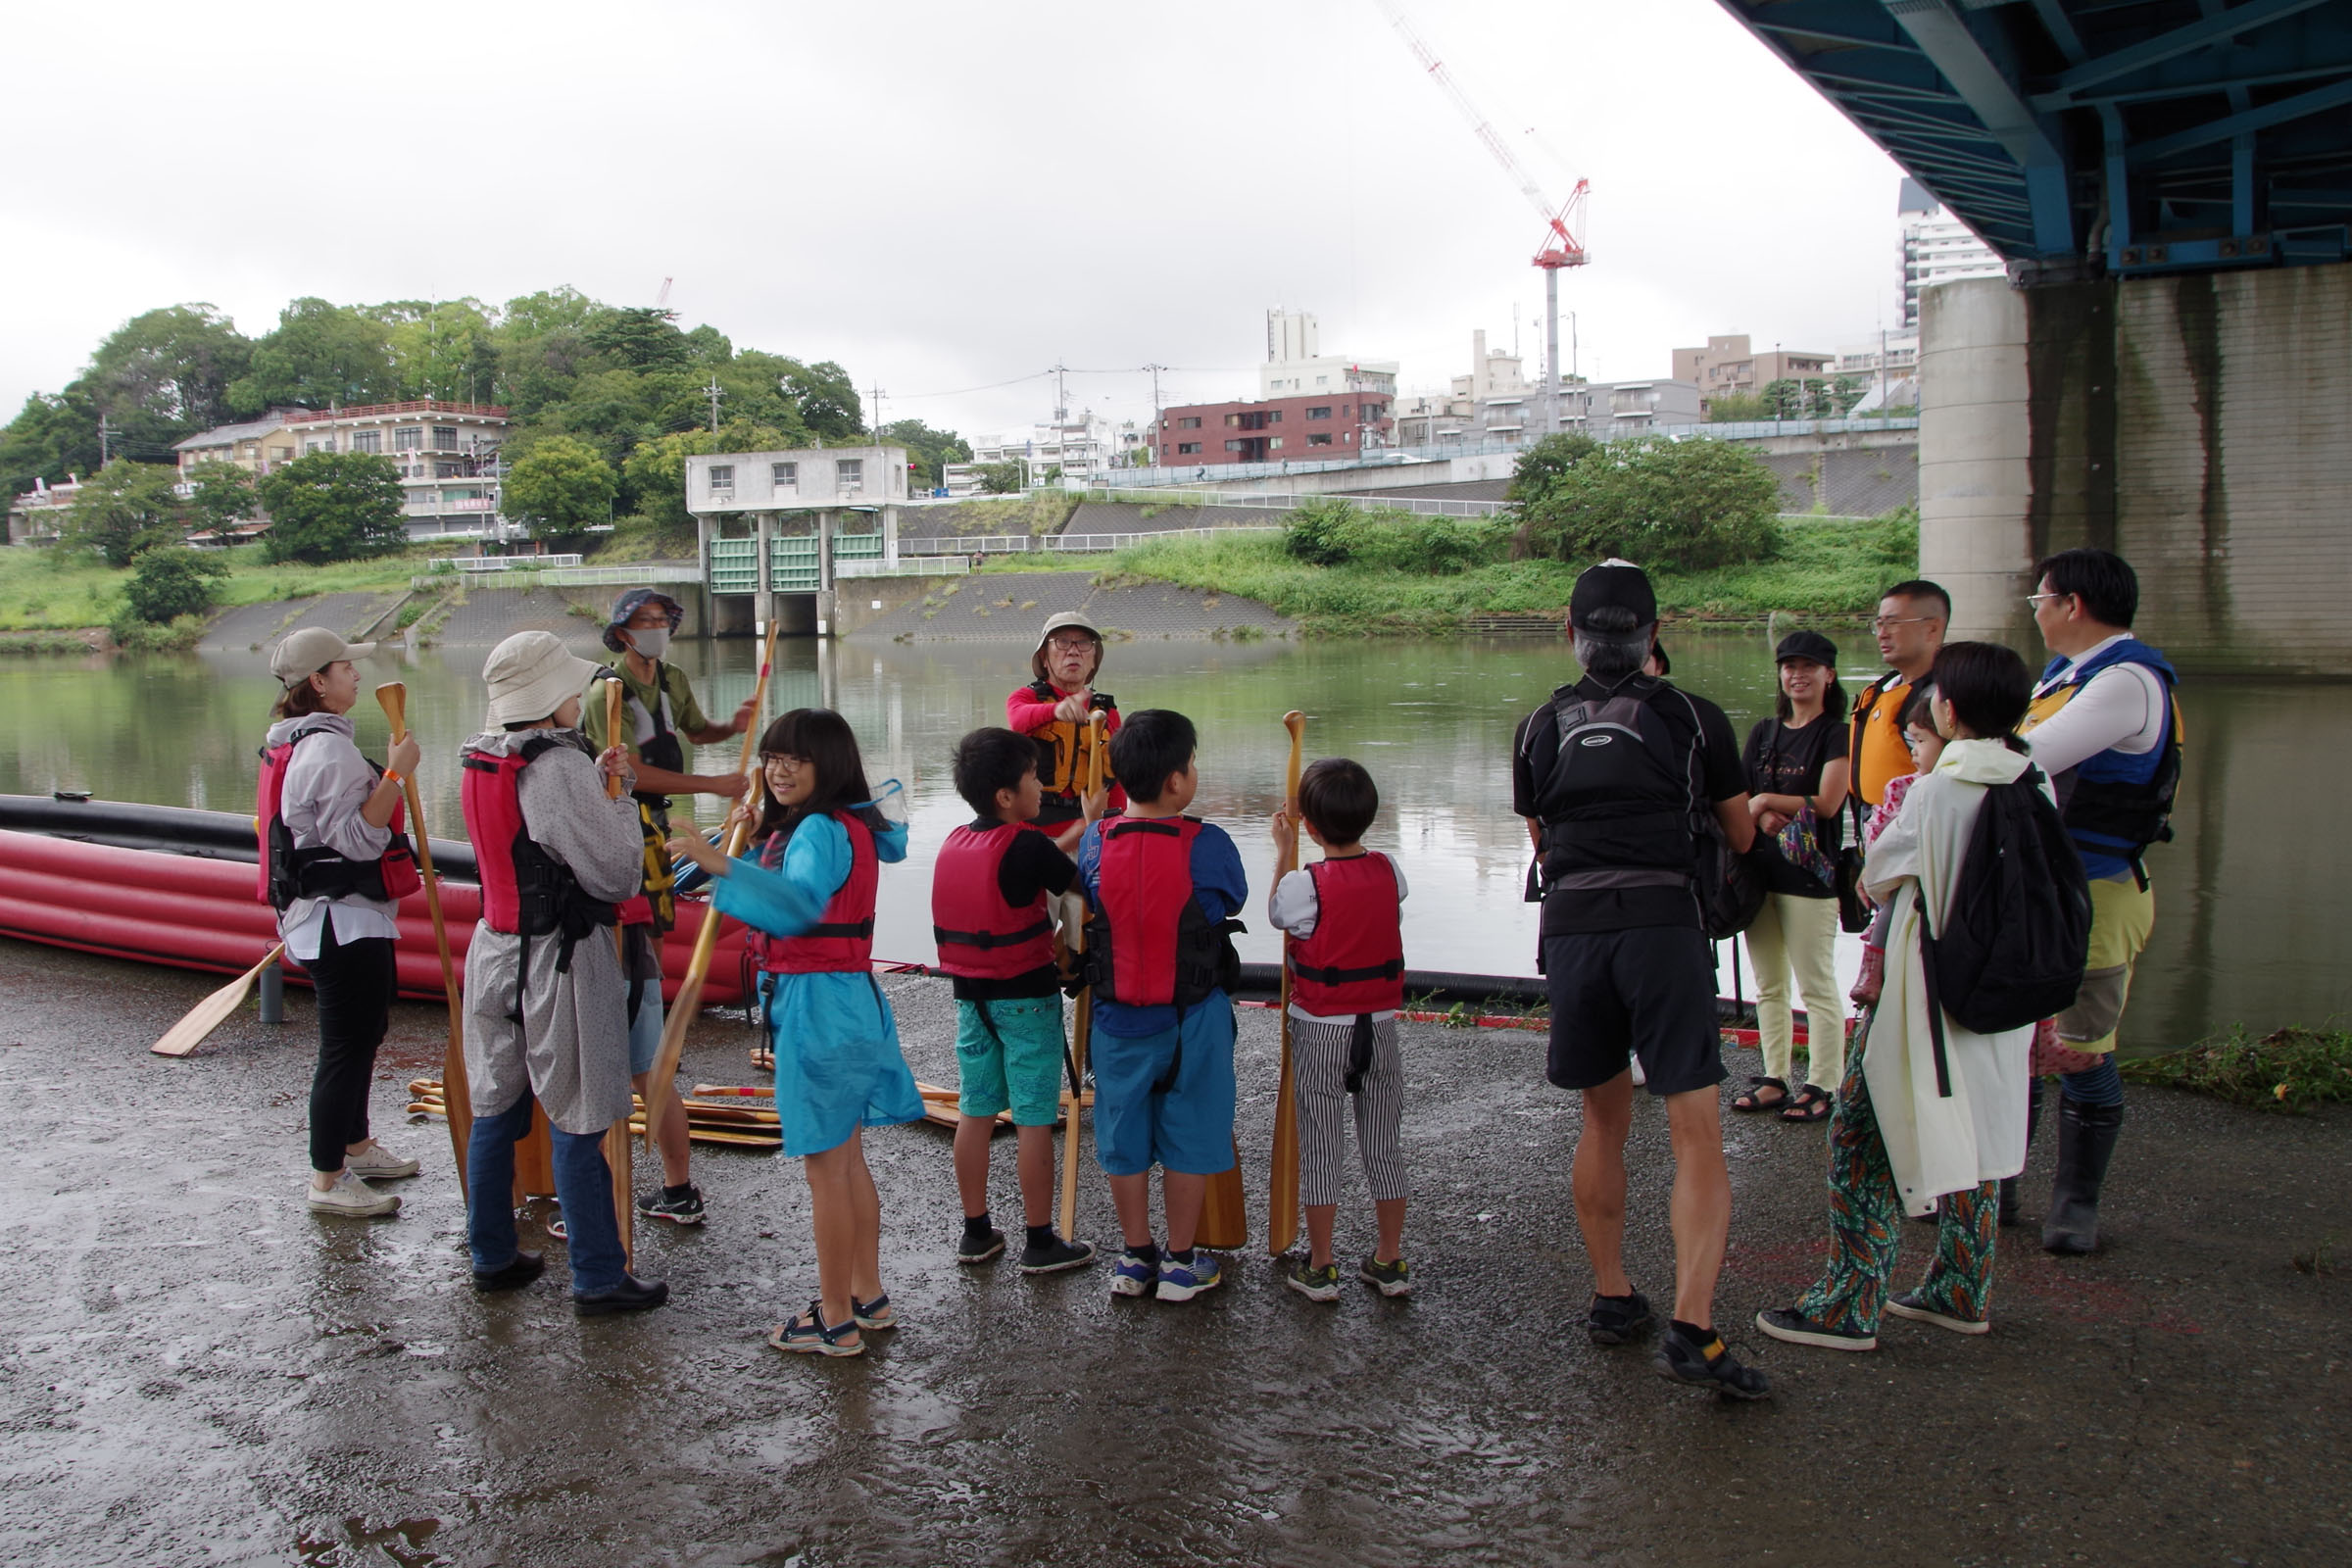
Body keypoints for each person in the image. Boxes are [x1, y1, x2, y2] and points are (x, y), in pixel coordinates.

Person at [1513, 560, 1768, 1399]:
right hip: (1664, 928)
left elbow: (1544, 838)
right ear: (1656, 633)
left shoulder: (1536, 726)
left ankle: (1612, 1295)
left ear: (1570, 632)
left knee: (1602, 1118)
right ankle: (1694, 1327)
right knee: (1695, 1126)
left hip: (1578, 934)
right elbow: (1737, 833)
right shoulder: (1695, 718)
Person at [1756, 642, 2043, 1350]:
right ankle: (1960, 1285)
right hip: (2002, 1000)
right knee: (1974, 1140)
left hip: (1924, 994)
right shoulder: (2034, 780)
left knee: (1858, 1134)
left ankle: (1850, 1304)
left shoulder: (1937, 791)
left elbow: (1875, 877)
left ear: (1946, 710)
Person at [671, 710, 923, 1357]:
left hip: (819, 1008)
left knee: (826, 1172)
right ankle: (868, 1295)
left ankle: (834, 1319)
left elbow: (801, 902)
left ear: (828, 765)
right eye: (772, 758)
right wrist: (748, 845)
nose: (778, 771)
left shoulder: (816, 829)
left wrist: (720, 865)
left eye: (795, 760)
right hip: (853, 1004)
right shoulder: (849, 825)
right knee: (846, 1161)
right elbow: (793, 883)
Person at [458, 630, 667, 1317]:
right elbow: (612, 871)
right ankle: (599, 1274)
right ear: (551, 700)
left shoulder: (484, 756)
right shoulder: (558, 768)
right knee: (579, 1113)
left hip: (493, 948)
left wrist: (597, 779)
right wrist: (620, 791)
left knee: (496, 1102)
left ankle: (490, 1252)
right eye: (570, 689)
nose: (580, 696)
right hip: (557, 957)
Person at [580, 589, 758, 1228]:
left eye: (663, 621)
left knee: (648, 931)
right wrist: (713, 786)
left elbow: (692, 730)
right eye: (645, 623)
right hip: (625, 820)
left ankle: (647, 1034)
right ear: (622, 632)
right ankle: (643, 1034)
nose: (657, 631)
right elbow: (629, 777)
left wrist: (730, 730)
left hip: (652, 827)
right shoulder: (609, 691)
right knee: (632, 935)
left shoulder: (673, 678)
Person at [2020, 549, 2179, 1254]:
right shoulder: (2065, 675)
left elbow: (2024, 757)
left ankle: (2075, 1203)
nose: (2038, 611)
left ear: (2072, 605)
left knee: (2082, 1047)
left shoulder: (2126, 682)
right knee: (2014, 1035)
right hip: (2040, 886)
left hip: (2098, 892)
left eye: (2041, 599)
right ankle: (1996, 1186)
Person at [1076, 709, 1248, 1305]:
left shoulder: (1096, 841)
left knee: (1122, 1135)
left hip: (1116, 1022)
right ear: (1176, 782)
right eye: (1192, 764)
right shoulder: (1212, 844)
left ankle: (1134, 1255)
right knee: (1192, 1133)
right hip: (1193, 1020)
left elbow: (1087, 888)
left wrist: (1093, 824)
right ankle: (1179, 1262)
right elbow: (1234, 895)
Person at [258, 628, 422, 1218]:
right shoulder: (326, 750)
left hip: (345, 919)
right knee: (345, 1048)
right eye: (343, 667)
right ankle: (327, 1180)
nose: (356, 674)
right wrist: (396, 776)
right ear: (317, 684)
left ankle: (356, 1146)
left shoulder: (306, 742)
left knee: (363, 1035)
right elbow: (355, 842)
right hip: (339, 920)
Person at [933, 726, 1102, 1275]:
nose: (1042, 785)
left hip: (971, 1001)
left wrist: (1082, 824)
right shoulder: (1025, 843)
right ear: (1007, 795)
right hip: (1027, 1000)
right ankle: (1039, 1239)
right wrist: (1069, 951)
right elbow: (1075, 891)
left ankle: (976, 1232)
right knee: (1033, 1118)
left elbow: (1036, 866)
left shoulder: (957, 840)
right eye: (1033, 778)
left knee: (976, 1110)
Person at [1267, 758, 1413, 1302]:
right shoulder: (1390, 870)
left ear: (1308, 825)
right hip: (1379, 1026)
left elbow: (1279, 916)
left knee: (1323, 1146)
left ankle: (1322, 1264)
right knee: (1383, 1143)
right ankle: (1389, 1259)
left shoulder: (1305, 884)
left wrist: (1283, 855)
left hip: (1321, 1029)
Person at [1731, 631, 1850, 1123]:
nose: (1797, 674)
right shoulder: (1764, 732)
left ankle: (1824, 1082)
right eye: (1788, 666)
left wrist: (1764, 802)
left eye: (1808, 666)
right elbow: (1738, 796)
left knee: (1817, 984)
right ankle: (1774, 1077)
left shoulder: (1835, 733)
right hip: (1761, 871)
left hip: (1809, 875)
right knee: (1770, 984)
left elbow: (1828, 802)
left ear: (1829, 675)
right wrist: (1756, 814)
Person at [1006, 611, 1126, 828]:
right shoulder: (1026, 698)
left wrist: (1117, 830)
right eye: (1062, 642)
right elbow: (1017, 721)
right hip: (1033, 831)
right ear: (1044, 658)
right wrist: (1055, 710)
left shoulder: (1106, 711)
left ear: (1094, 661)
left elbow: (1115, 780)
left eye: (1083, 643)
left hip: (1089, 831)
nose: (1074, 651)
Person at [1849, 580, 1949, 815]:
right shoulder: (1884, 688)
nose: (1882, 634)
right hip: (1871, 832)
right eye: (1879, 624)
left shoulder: (1943, 698)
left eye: (1893, 623)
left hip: (1915, 835)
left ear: (1932, 628)